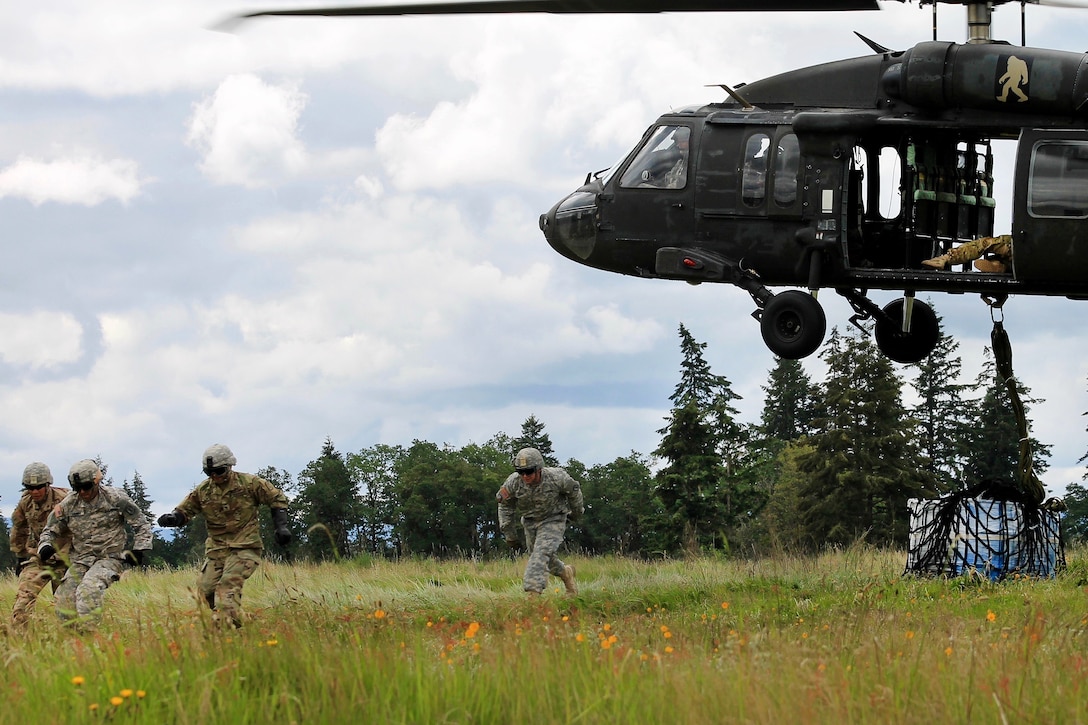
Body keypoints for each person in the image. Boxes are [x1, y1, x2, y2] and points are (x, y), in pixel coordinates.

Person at [156, 443, 292, 628]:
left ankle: (223, 632)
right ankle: (242, 621)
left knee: (226, 591)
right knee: (206, 592)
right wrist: (173, 518)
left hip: (245, 548)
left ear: (229, 466)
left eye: (219, 471)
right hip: (217, 550)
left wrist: (281, 526)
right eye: (209, 472)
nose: (214, 476)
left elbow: (277, 498)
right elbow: (185, 510)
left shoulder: (250, 484)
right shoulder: (203, 491)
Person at [37, 459, 152, 631]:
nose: (83, 492)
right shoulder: (68, 504)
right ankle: (76, 645)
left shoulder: (115, 498)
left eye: (87, 486)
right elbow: (50, 530)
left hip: (109, 557)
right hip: (81, 559)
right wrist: (45, 545)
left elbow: (141, 524)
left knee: (88, 591)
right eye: (78, 488)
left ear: (96, 482)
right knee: (64, 601)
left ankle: (92, 640)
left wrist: (139, 550)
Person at [496, 447, 583, 597]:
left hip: (554, 518)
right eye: (520, 472)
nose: (525, 476)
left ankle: (533, 594)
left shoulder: (557, 478)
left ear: (538, 469)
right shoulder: (513, 483)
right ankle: (567, 574)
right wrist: (510, 535)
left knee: (540, 554)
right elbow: (505, 506)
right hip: (530, 522)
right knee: (545, 559)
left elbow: (574, 492)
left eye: (529, 471)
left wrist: (576, 513)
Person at [10, 462, 70, 628]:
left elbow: (83, 528)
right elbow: (19, 529)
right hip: (39, 559)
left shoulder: (65, 501)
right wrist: (20, 556)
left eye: (39, 487)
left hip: (67, 560)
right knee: (21, 606)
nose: (35, 491)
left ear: (47, 484)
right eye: (30, 487)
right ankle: (22, 645)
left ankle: (73, 646)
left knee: (67, 609)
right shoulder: (25, 503)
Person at [922, 234, 1012, 273]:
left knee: (984, 243)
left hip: (1017, 252)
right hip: (1018, 266)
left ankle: (945, 259)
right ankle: (999, 266)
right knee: (998, 259)